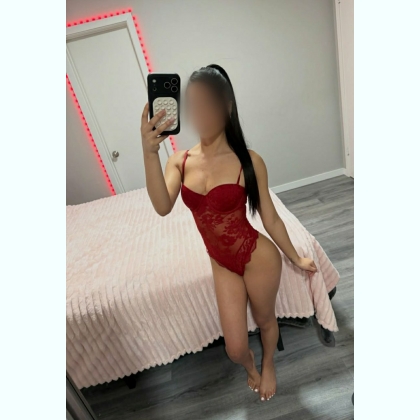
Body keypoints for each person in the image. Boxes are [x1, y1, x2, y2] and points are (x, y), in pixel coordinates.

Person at [140, 64, 317, 402]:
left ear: (227, 107)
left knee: (265, 321)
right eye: (194, 104)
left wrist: (295, 257)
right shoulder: (179, 161)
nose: (201, 113)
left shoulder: (249, 161)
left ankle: (268, 363)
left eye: (209, 104)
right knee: (234, 349)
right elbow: (162, 206)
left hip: (257, 257)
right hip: (221, 262)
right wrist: (150, 153)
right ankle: (249, 365)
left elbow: (270, 218)